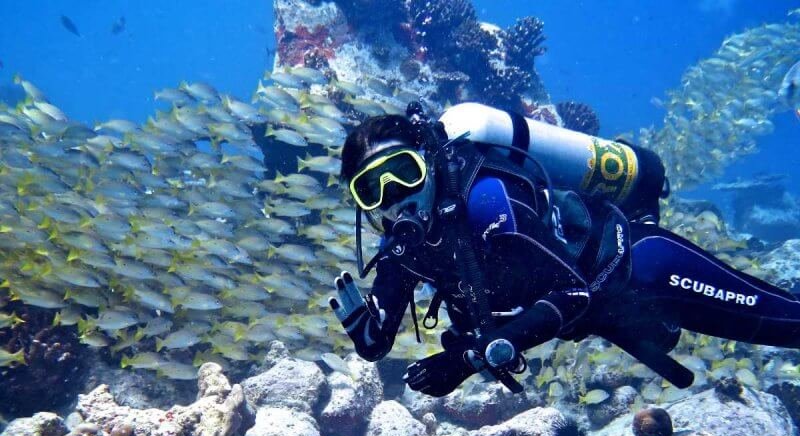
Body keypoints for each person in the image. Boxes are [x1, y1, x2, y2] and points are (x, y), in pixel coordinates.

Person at [330, 101, 800, 397]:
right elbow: (377, 343)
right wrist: (366, 334)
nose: (396, 196)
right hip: (612, 318)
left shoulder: (489, 201)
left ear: (429, 166)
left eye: (402, 173)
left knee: (787, 325)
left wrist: (472, 357)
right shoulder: (405, 248)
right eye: (372, 190)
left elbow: (573, 294)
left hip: (643, 268)